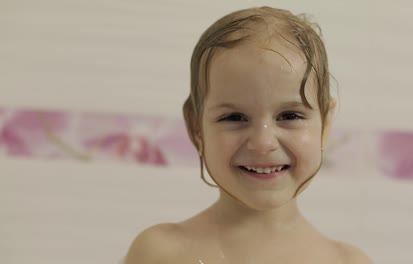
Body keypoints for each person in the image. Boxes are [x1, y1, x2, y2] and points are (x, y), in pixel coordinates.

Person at [125, 6, 372, 264]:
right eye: (234, 118)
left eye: (290, 116)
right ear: (196, 128)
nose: (263, 143)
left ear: (326, 125)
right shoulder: (161, 253)